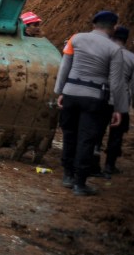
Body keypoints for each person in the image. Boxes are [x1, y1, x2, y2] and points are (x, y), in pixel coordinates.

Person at [54, 10, 127, 196]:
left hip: (70, 93)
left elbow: (65, 67)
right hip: (95, 99)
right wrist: (117, 107)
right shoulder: (114, 49)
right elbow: (116, 81)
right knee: (86, 139)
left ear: (94, 24)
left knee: (69, 135)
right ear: (113, 27)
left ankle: (67, 175)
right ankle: (80, 183)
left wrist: (60, 92)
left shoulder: (75, 39)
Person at [103, 26, 134, 176]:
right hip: (122, 100)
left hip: (102, 95)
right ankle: (109, 165)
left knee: (96, 130)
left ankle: (92, 160)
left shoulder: (104, 53)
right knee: (116, 135)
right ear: (126, 40)